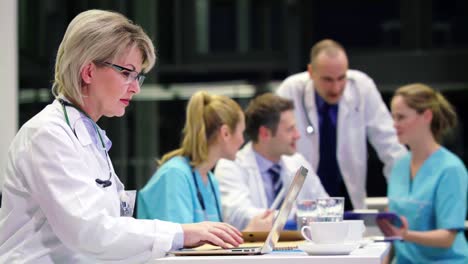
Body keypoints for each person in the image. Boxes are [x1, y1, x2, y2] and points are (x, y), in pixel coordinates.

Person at [0, 10, 243, 263]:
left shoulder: (89, 136)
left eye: (138, 76)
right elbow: (90, 232)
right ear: (89, 72)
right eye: (126, 73)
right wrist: (180, 233)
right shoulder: (47, 135)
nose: (136, 87)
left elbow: (107, 230)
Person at [276, 39, 407, 210]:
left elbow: (391, 147)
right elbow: (277, 148)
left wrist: (401, 198)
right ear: (310, 72)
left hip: (348, 196)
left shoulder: (362, 87)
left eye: (341, 78)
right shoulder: (290, 90)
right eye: (327, 80)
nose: (336, 88)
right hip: (303, 199)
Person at [137, 91, 273, 231]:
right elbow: (175, 246)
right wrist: (249, 232)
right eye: (241, 132)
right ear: (225, 133)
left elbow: (212, 244)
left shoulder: (210, 180)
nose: (243, 140)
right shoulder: (174, 175)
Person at [378, 83, 468, 263]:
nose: (394, 125)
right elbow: (394, 233)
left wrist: (405, 234)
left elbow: (447, 238)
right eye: (393, 117)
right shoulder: (400, 166)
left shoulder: (451, 169)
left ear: (426, 116)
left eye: (401, 117)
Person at [215, 93, 329, 230]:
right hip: (252, 247)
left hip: (298, 247)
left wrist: (301, 217)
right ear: (265, 133)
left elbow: (325, 207)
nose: (297, 135)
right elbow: (238, 215)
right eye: (290, 129)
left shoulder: (298, 162)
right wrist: (297, 217)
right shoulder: (230, 165)